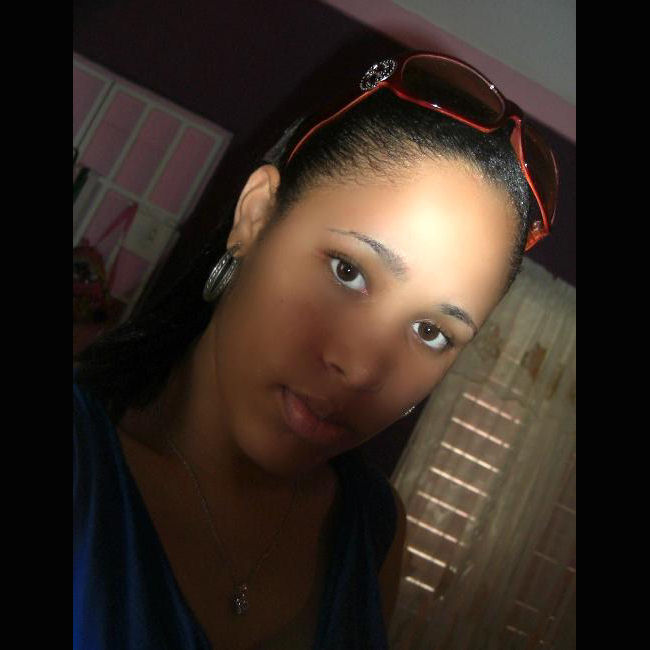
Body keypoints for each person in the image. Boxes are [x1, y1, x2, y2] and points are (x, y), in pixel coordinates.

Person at [73, 51, 558, 650]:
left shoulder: (374, 533)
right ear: (256, 217)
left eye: (432, 332)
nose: (362, 370)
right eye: (348, 271)